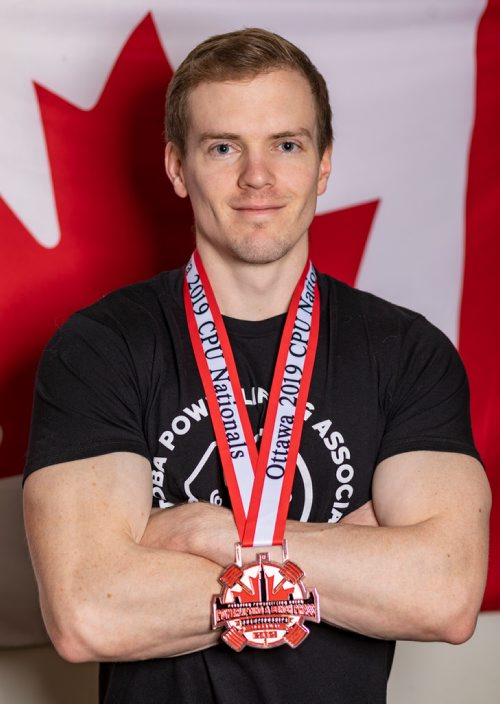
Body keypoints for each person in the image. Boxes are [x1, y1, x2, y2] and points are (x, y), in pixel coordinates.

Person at [23, 28, 490, 704]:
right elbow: (89, 610)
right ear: (178, 169)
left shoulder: (406, 353)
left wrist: (210, 534)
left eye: (287, 144)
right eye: (223, 147)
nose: (258, 177)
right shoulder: (100, 348)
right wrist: (348, 551)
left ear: (324, 164)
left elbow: (444, 592)